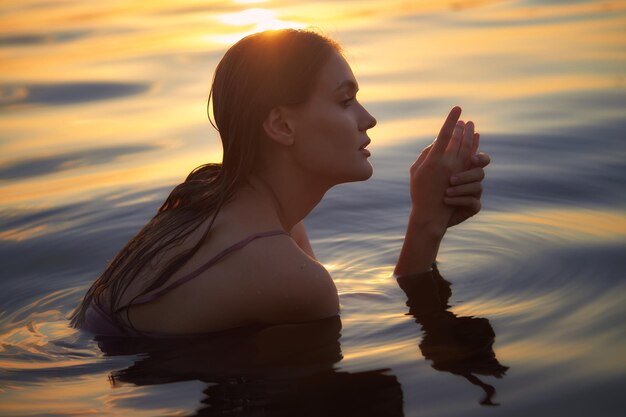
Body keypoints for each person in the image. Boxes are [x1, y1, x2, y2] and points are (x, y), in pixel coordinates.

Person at [69, 28, 490, 337]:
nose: (368, 119)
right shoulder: (288, 275)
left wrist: (425, 216)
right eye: (345, 100)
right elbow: (387, 325)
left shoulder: (226, 198)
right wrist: (427, 226)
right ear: (281, 125)